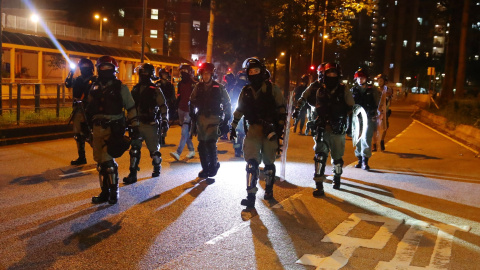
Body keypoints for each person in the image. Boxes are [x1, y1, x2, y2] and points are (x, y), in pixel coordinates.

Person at [230, 57, 286, 208]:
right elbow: (239, 110)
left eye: (256, 70)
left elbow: (281, 109)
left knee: (269, 163)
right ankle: (251, 195)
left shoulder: (272, 89)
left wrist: (279, 128)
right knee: (251, 164)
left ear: (262, 71)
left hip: (270, 131)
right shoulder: (246, 91)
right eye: (251, 71)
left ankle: (269, 190)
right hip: (253, 129)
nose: (254, 73)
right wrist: (233, 126)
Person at [294, 63, 354, 194]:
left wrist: (350, 126)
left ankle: (337, 177)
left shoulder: (343, 89)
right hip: (321, 126)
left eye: (334, 74)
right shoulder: (317, 88)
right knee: (320, 156)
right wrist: (297, 109)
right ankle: (319, 184)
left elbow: (351, 108)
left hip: (338, 128)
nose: (331, 76)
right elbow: (305, 98)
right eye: (329, 73)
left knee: (337, 158)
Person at [86, 56, 138, 204]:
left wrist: (135, 127)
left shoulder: (120, 87)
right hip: (97, 128)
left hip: (113, 128)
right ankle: (104, 192)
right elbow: (88, 108)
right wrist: (85, 126)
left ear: (114, 69)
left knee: (108, 162)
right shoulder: (94, 87)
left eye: (108, 67)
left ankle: (114, 192)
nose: (105, 70)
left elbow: (131, 108)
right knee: (101, 163)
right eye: (102, 67)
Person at [123, 63, 169, 184]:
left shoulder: (155, 89)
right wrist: (127, 120)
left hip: (150, 124)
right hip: (137, 123)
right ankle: (132, 173)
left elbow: (163, 105)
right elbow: (130, 106)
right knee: (134, 149)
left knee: (154, 152)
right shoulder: (136, 88)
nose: (142, 75)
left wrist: (165, 120)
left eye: (144, 73)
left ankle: (157, 166)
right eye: (141, 73)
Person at [189, 62, 231, 178]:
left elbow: (227, 104)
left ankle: (213, 166)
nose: (205, 76)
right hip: (201, 118)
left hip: (214, 118)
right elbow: (192, 101)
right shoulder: (198, 87)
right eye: (204, 74)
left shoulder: (219, 87)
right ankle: (205, 168)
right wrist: (192, 113)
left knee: (211, 143)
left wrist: (226, 120)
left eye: (208, 74)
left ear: (212, 74)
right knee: (202, 145)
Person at [65, 58, 96, 165]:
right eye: (83, 67)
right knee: (78, 135)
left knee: (89, 135)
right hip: (78, 110)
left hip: (90, 111)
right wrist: (71, 72)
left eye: (86, 67)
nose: (84, 69)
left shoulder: (95, 80)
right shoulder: (78, 80)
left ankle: (100, 157)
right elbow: (68, 83)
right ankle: (82, 157)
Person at [351, 68, 380, 170]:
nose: (360, 80)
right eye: (358, 78)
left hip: (368, 116)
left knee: (366, 138)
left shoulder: (372, 90)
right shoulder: (353, 90)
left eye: (362, 77)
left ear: (366, 78)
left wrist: (376, 114)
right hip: (357, 117)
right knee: (357, 138)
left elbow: (377, 103)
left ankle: (365, 161)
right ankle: (359, 159)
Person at [170, 63, 196, 161]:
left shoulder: (194, 84)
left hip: (189, 110)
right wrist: (176, 107)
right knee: (185, 132)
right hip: (181, 108)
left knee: (184, 131)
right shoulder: (180, 83)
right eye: (181, 71)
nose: (182, 73)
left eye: (184, 71)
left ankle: (178, 152)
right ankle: (191, 150)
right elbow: (179, 95)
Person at [373, 74, 393, 151]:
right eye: (378, 81)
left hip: (384, 111)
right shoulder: (375, 90)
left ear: (385, 82)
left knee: (385, 127)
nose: (379, 82)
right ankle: (374, 144)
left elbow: (388, 99)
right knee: (374, 127)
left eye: (381, 81)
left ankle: (382, 140)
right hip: (375, 111)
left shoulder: (388, 90)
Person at [156, 68, 175, 145]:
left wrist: (174, 103)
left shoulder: (170, 85)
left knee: (165, 121)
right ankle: (158, 137)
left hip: (166, 105)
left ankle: (163, 137)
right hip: (158, 106)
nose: (165, 76)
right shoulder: (157, 84)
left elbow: (173, 96)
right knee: (157, 121)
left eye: (166, 74)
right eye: (164, 74)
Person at [232, 71, 248, 157]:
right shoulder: (235, 87)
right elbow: (231, 97)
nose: (242, 79)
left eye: (244, 78)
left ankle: (245, 148)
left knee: (247, 130)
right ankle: (237, 149)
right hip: (237, 108)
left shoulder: (248, 87)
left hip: (246, 111)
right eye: (241, 77)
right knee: (235, 130)